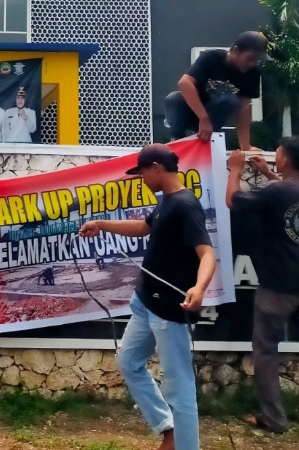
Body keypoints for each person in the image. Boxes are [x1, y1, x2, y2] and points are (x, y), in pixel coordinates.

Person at [80, 144, 216, 450]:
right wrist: (101, 224)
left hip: (169, 310)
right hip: (145, 302)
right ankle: (168, 427)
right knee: (128, 361)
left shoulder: (185, 204)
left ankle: (184, 445)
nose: (140, 178)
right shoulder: (166, 202)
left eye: (142, 172)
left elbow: (207, 253)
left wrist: (200, 287)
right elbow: (143, 228)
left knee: (179, 387)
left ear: (155, 167)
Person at [225, 137, 299, 438]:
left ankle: (274, 418)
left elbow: (233, 200)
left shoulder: (276, 190)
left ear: (284, 160)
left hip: (278, 285)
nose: (275, 156)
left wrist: (235, 169)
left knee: (267, 350)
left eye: (278, 153)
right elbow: (286, 194)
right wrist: (270, 173)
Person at [164, 31, 268, 150]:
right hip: (192, 112)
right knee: (174, 98)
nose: (252, 64)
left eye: (257, 60)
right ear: (235, 50)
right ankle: (177, 138)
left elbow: (243, 110)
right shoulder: (212, 58)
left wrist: (246, 147)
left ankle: (205, 140)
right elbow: (184, 83)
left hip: (213, 118)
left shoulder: (253, 73)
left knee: (231, 100)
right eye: (250, 58)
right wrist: (203, 118)